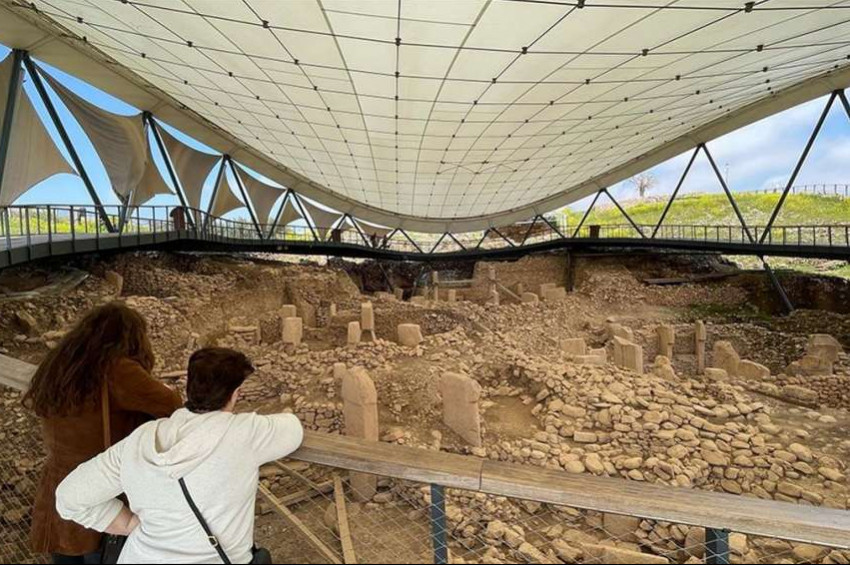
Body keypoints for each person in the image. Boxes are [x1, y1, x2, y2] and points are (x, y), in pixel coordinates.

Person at [55, 347, 305, 564]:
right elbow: (293, 428)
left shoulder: (142, 439)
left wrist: (128, 524)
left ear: (190, 388)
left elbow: (69, 496)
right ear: (236, 393)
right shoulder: (246, 433)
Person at [24, 302, 183, 564]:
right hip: (103, 491)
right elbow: (171, 405)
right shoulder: (118, 370)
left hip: (58, 489)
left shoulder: (59, 366)